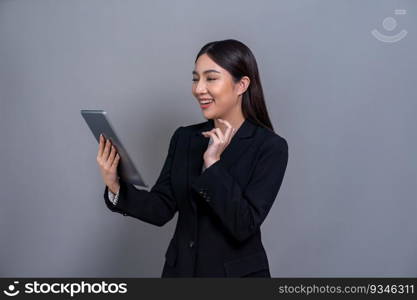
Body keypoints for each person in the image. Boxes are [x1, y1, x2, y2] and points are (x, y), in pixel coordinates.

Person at [96, 39, 288, 277]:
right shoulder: (185, 138)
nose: (199, 89)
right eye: (196, 78)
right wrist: (115, 185)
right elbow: (160, 209)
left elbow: (244, 224)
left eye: (211, 78)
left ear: (242, 85)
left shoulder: (270, 147)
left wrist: (213, 163)